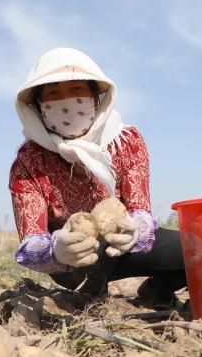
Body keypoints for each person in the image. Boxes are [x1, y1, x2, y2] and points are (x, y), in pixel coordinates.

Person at [9, 47, 186, 305]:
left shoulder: (126, 143)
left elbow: (141, 211)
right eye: (54, 93)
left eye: (77, 90)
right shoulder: (29, 163)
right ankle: (90, 300)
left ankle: (157, 291)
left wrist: (135, 231)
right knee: (91, 251)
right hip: (74, 262)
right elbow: (30, 242)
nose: (67, 101)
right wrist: (56, 250)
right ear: (39, 107)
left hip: (125, 248)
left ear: (95, 96)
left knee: (200, 248)